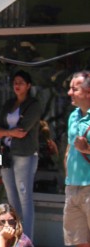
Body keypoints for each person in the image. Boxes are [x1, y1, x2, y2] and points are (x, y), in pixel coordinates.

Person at [0, 70, 41, 241]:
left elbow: (22, 131)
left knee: (25, 196)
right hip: (6, 154)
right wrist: (8, 132)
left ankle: (27, 240)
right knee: (11, 197)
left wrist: (7, 132)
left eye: (21, 82)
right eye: (15, 82)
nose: (17, 85)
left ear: (28, 86)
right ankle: (14, 237)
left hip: (24, 154)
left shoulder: (33, 104)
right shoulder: (8, 104)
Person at [64, 70, 90, 247]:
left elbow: (82, 149)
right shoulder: (73, 116)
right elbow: (68, 149)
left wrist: (87, 149)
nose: (69, 93)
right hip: (72, 187)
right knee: (77, 241)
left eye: (74, 89)